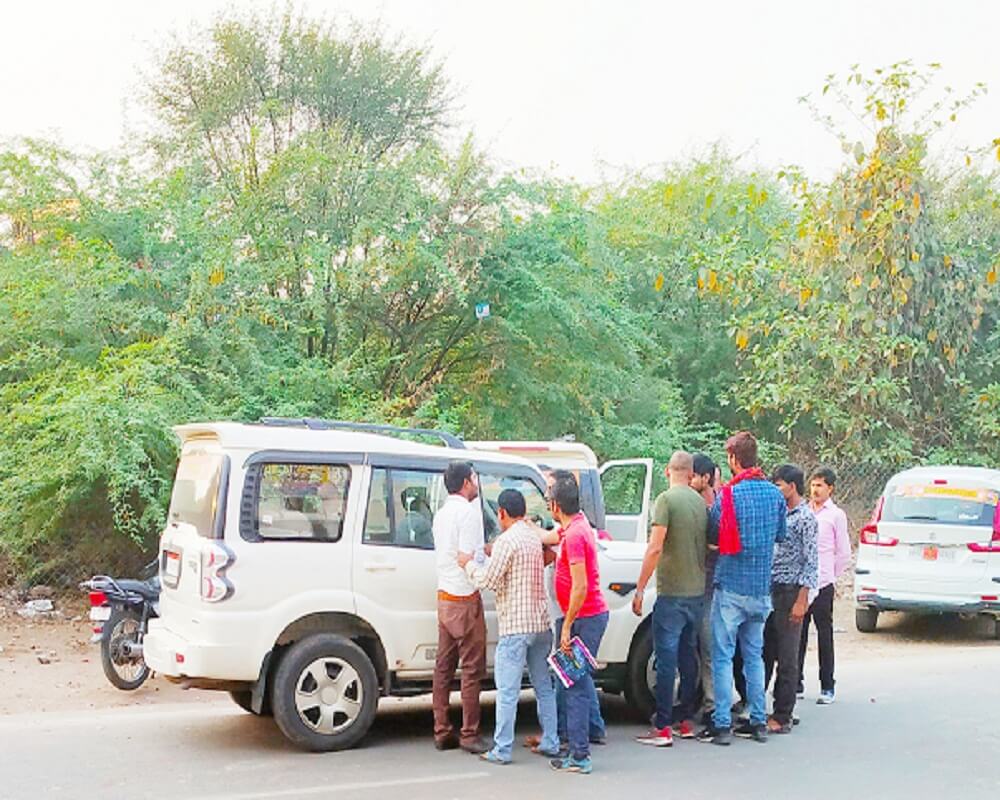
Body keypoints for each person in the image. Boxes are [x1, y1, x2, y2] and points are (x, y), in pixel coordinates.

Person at [697, 431, 786, 746]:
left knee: (722, 656)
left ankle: (722, 723)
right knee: (754, 657)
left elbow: (714, 533)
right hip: (761, 589)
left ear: (734, 460)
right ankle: (758, 720)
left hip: (731, 586)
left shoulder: (728, 496)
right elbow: (779, 535)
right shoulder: (775, 495)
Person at [458, 489, 560, 764]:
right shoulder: (531, 536)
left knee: (507, 691)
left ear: (501, 513)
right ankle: (551, 739)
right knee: (543, 686)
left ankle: (502, 749)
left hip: (516, 626)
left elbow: (487, 580)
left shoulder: (506, 541)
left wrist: (467, 565)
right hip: (541, 624)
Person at [633, 451, 708, 747]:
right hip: (696, 592)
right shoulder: (700, 503)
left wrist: (640, 588)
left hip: (672, 592)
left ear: (667, 471)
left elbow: (655, 547)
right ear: (690, 474)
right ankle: (686, 721)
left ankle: (662, 726)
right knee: (689, 657)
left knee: (666, 659)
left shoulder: (665, 501)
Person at [548, 471, 609, 775]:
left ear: (556, 505)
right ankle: (585, 738)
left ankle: (580, 754)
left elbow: (580, 585)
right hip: (586, 616)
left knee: (576, 686)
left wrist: (568, 626)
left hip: (585, 617)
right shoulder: (578, 525)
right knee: (577, 682)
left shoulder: (574, 535)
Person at [431, 461, 487, 754]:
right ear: (467, 482)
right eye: (474, 479)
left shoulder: (441, 514)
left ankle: (441, 729)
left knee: (443, 667)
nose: (476, 483)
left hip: (445, 595)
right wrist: (486, 571)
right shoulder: (468, 513)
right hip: (465, 597)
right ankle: (469, 733)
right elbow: (467, 558)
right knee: (472, 669)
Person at [764, 464, 819, 733]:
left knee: (787, 655)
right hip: (771, 589)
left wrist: (802, 599)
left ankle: (783, 714)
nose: (777, 489)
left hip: (791, 591)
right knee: (765, 651)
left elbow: (811, 562)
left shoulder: (806, 518)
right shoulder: (779, 513)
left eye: (779, 485)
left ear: (792, 486)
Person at [798, 466, 851, 705]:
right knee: (797, 634)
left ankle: (827, 686)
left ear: (830, 488)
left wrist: (830, 577)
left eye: (820, 485)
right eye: (813, 484)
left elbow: (843, 553)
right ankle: (795, 682)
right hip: (801, 583)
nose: (815, 489)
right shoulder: (802, 511)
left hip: (823, 582)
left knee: (824, 634)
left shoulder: (836, 515)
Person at [689, 453, 720, 724]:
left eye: (693, 476)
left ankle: (713, 705)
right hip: (698, 586)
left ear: (706, 478)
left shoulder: (716, 509)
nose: (689, 481)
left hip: (713, 586)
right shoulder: (697, 505)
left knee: (710, 646)